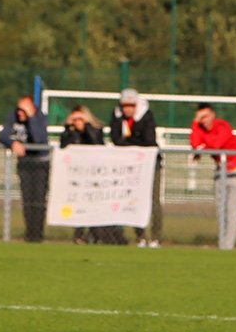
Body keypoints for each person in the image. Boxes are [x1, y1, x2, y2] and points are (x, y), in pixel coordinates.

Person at [109, 88, 162, 248]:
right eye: (125, 105)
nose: (128, 109)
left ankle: (155, 236)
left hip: (151, 165)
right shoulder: (117, 116)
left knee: (154, 200)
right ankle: (140, 236)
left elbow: (148, 140)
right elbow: (115, 138)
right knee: (133, 200)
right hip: (130, 166)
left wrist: (128, 140)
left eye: (131, 105)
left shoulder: (146, 116)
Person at [190, 103, 236, 250]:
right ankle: (223, 244)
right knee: (221, 211)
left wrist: (203, 149)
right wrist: (195, 124)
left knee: (232, 211)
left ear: (213, 115)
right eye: (200, 117)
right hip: (220, 172)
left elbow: (217, 145)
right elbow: (195, 144)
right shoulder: (201, 130)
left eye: (205, 116)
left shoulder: (222, 126)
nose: (203, 120)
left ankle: (228, 247)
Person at [59, 105, 113, 244]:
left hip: (93, 174)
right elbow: (63, 146)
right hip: (77, 175)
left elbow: (97, 144)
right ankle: (79, 235)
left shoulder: (95, 129)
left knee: (94, 205)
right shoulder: (70, 132)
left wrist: (86, 128)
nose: (77, 122)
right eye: (74, 119)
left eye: (80, 118)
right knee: (78, 206)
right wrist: (68, 129)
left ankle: (96, 235)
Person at [0, 95, 50, 242]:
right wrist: (12, 143)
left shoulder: (40, 117)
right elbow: (3, 135)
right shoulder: (13, 116)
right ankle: (29, 233)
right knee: (27, 199)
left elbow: (39, 138)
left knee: (38, 200)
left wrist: (31, 117)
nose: (20, 112)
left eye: (24, 110)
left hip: (40, 164)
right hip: (24, 164)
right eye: (19, 109)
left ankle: (38, 234)